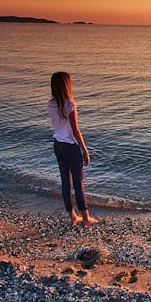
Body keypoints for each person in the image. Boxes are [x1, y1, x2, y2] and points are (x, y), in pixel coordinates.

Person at [48, 71, 99, 226]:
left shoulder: (51, 104)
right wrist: (85, 150)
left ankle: (72, 217)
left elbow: (58, 125)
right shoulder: (70, 105)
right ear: (66, 85)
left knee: (65, 182)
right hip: (70, 147)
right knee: (78, 183)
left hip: (57, 144)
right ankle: (85, 218)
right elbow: (76, 131)